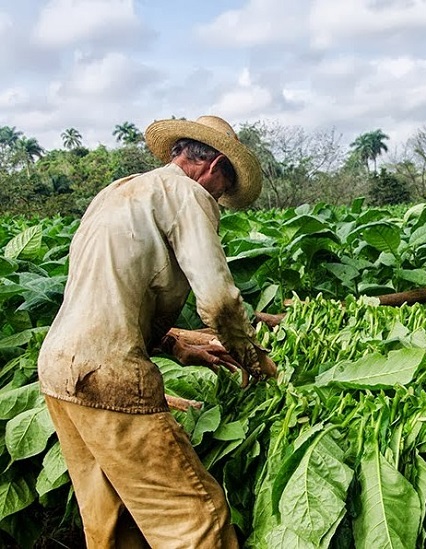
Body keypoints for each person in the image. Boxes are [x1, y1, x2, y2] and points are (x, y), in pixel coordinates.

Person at [37, 115, 277, 548]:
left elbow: (109, 293)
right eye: (226, 183)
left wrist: (175, 344)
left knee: (112, 523)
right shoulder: (188, 194)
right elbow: (219, 301)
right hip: (110, 376)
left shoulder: (118, 192)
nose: (222, 196)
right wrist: (250, 354)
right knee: (198, 520)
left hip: (58, 372)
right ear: (215, 164)